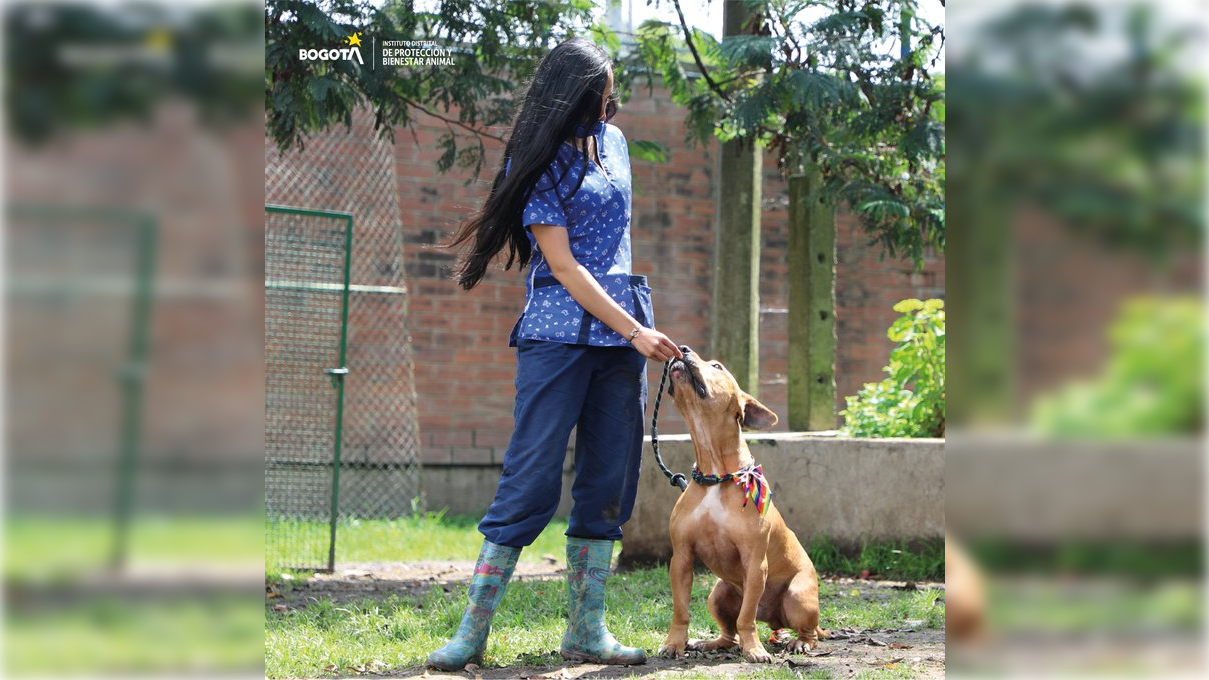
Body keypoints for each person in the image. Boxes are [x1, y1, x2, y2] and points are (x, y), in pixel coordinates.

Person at [428, 38, 682, 671]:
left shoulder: (616, 144)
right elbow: (564, 266)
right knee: (530, 477)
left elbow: (615, 243)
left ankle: (586, 633)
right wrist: (635, 331)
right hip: (559, 332)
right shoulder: (536, 158)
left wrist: (629, 331)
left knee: (608, 482)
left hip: (619, 335)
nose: (610, 99)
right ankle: (472, 633)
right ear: (574, 92)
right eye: (601, 89)